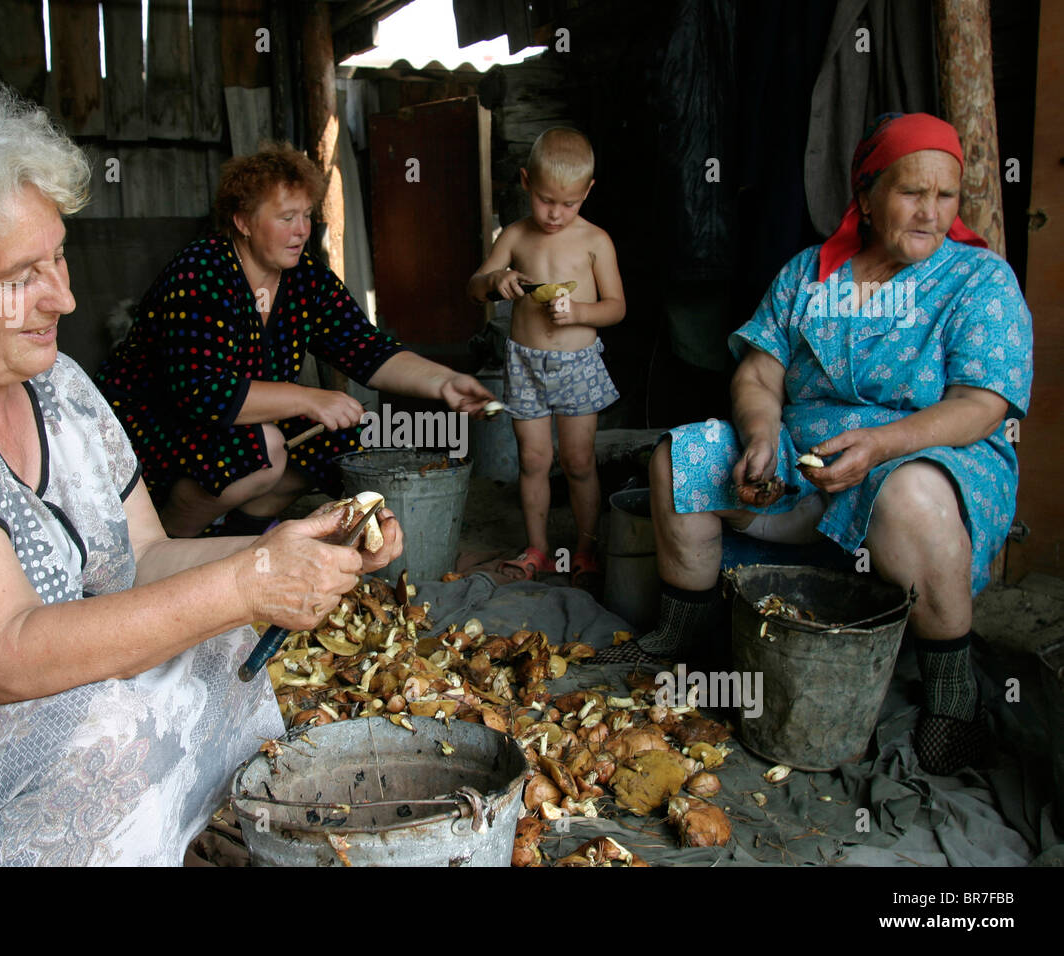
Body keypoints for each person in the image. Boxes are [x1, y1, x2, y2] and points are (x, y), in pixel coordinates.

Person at [0, 82, 404, 865]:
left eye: (59, 257)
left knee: (212, 646)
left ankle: (161, 842)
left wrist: (289, 549)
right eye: (19, 277)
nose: (62, 298)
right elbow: (5, 654)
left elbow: (143, 559)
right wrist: (247, 584)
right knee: (107, 724)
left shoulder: (60, 387)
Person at [598, 113, 1033, 776]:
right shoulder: (810, 274)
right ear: (867, 197)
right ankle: (680, 637)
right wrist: (761, 432)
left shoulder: (979, 280)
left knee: (911, 494)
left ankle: (951, 692)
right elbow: (758, 373)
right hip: (801, 464)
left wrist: (882, 445)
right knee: (680, 457)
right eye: (912, 192)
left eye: (946, 195)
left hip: (927, 459)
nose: (931, 212)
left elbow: (981, 406)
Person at [95, 143, 496, 538]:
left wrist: (444, 382)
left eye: (306, 215)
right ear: (243, 221)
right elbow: (201, 393)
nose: (302, 230)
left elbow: (365, 348)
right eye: (287, 217)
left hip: (231, 421)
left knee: (341, 437)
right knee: (262, 448)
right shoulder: (202, 272)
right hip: (150, 421)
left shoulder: (305, 276)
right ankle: (166, 546)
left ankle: (239, 536)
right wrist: (309, 399)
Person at [467, 128, 626, 589]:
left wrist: (578, 313)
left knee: (578, 462)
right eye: (544, 200)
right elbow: (474, 287)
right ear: (525, 182)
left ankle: (585, 551)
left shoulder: (596, 241)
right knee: (533, 460)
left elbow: (616, 307)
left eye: (569, 203)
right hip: (525, 365)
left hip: (578, 366)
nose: (555, 213)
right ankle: (537, 548)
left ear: (587, 192)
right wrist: (495, 281)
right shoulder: (515, 236)